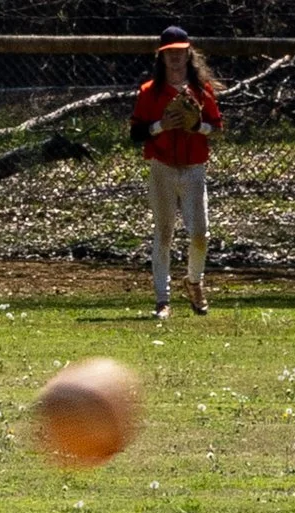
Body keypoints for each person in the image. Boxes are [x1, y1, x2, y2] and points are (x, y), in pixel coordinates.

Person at [128, 26, 223, 319]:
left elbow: (216, 128)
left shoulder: (201, 89)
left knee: (200, 234)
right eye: (169, 52)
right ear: (162, 56)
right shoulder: (149, 91)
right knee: (164, 232)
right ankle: (162, 299)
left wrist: (197, 127)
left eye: (180, 51)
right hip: (163, 167)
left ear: (188, 53)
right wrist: (160, 126)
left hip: (193, 167)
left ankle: (194, 282)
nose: (175, 57)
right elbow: (136, 133)